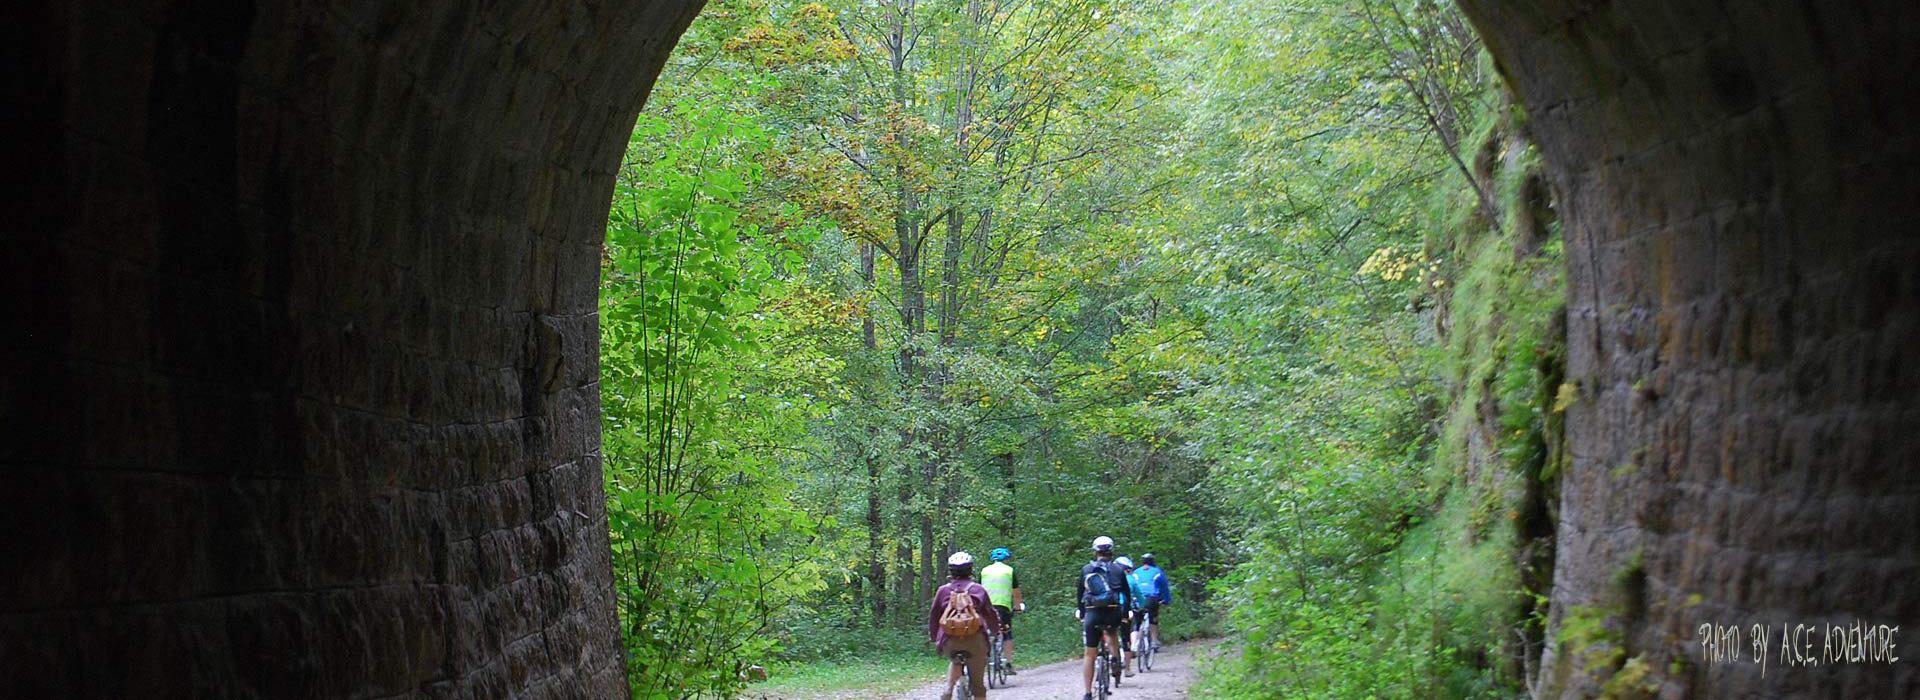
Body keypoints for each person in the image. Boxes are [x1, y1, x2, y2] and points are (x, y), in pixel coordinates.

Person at [929, 551, 997, 700]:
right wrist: (996, 630)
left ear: (951, 571)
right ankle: (977, 693)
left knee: (955, 660)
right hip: (975, 640)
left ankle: (949, 688)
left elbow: (934, 615)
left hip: (949, 640)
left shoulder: (943, 590)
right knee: (979, 687)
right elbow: (990, 614)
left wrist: (935, 637)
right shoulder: (978, 589)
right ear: (970, 570)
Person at [1076, 536, 1132, 700]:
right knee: (1112, 633)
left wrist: (1082, 612)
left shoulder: (1086, 569)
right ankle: (1115, 659)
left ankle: (1087, 693)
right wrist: (1125, 613)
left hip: (1092, 613)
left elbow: (1080, 594)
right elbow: (1126, 595)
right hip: (1113, 611)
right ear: (1111, 552)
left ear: (1095, 552)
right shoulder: (1117, 570)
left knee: (1089, 654)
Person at [980, 547, 1025, 674]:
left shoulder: (984, 571)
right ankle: (1009, 664)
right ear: (1006, 559)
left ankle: (985, 659)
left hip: (986, 607)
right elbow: (1016, 593)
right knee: (1007, 633)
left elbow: (979, 590)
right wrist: (1017, 607)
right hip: (1003, 607)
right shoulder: (1009, 571)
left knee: (986, 632)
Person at [1135, 552, 1172, 651]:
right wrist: (1166, 600)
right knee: (1153, 619)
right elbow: (1164, 588)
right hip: (1151, 598)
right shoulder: (1157, 571)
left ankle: (1136, 643)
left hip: (1137, 599)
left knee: (1138, 622)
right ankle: (1154, 641)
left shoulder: (1136, 572)